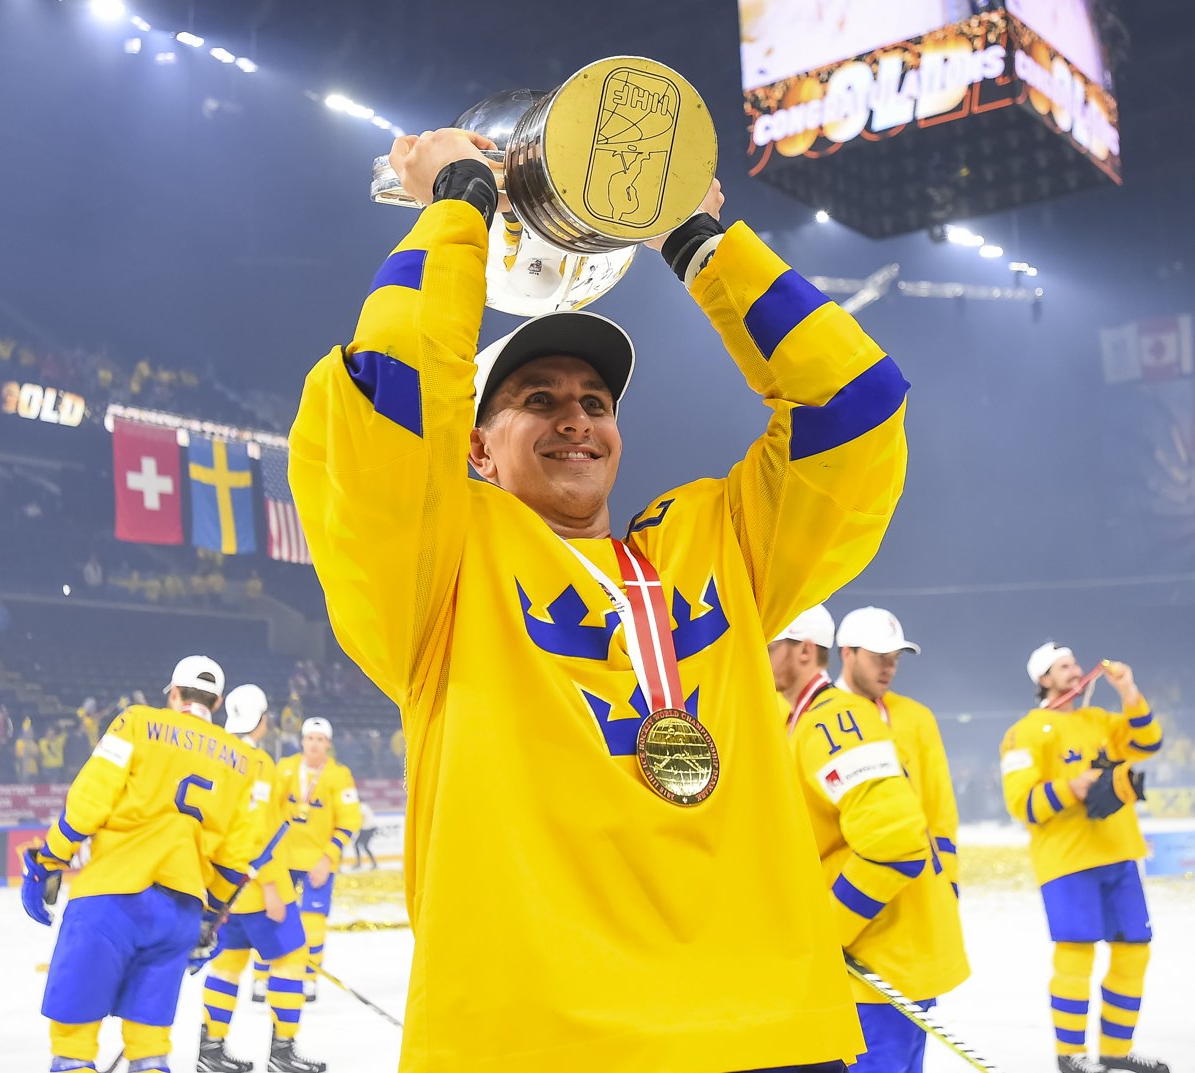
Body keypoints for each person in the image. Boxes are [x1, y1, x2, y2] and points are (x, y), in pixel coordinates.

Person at [288, 126, 908, 1071]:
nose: (576, 417)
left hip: (769, 1031)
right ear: (475, 447)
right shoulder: (438, 567)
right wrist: (459, 206)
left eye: (596, 401)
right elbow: (392, 398)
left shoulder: (715, 543)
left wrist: (701, 246)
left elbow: (856, 407)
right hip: (538, 1042)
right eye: (537, 399)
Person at [19, 656, 263, 1073]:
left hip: (110, 899)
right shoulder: (243, 761)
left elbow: (89, 802)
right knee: (150, 1048)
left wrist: (49, 861)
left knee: (73, 1044)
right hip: (179, 913)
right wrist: (208, 920)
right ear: (218, 702)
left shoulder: (136, 722)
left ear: (174, 692)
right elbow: (236, 857)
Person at [770, 606, 967, 1073]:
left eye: (771, 646)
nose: (888, 666)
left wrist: (829, 930)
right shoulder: (800, 716)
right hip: (871, 952)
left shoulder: (836, 721)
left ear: (805, 650)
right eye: (879, 656)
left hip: (879, 956)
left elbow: (907, 835)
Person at [1002, 643, 1169, 1073]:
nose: (1075, 671)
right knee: (1075, 954)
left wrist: (1128, 691)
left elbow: (1148, 741)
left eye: (1075, 664)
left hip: (1120, 853)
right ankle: (1070, 1054)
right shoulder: (1024, 732)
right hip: (1067, 861)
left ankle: (1116, 1050)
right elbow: (1021, 803)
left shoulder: (1098, 720)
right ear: (1043, 678)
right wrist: (1071, 788)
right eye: (1063, 666)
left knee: (1134, 951)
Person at [201, 684, 324, 1073]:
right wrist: (271, 885)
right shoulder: (256, 763)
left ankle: (210, 1051)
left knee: (227, 966)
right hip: (257, 886)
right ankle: (283, 1054)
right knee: (290, 960)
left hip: (222, 888)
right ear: (262, 720)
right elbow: (257, 832)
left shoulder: (213, 754)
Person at [836, 606, 962, 895]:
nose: (889, 668)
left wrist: (948, 879)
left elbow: (939, 806)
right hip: (845, 885)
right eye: (878, 657)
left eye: (895, 658)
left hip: (918, 887)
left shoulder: (917, 717)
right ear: (847, 653)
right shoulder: (814, 715)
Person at [252, 717, 359, 1005]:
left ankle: (309, 978)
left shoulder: (339, 776)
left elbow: (350, 820)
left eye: (320, 739)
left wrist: (328, 858)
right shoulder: (285, 768)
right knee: (272, 914)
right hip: (283, 859)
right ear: (302, 740)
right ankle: (262, 975)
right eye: (310, 738)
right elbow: (267, 810)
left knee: (313, 922)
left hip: (318, 862)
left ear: (328, 744)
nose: (314, 744)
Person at [349, 800, 378, 870]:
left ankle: (361, 863)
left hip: (367, 828)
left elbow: (361, 818)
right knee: (362, 845)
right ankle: (372, 863)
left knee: (360, 845)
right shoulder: (364, 806)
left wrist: (356, 829)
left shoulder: (360, 807)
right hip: (369, 828)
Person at [15, 720, 41, 784]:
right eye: (27, 732)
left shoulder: (34, 744)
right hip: (23, 770)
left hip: (33, 770)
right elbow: (18, 756)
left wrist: (32, 755)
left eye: (30, 732)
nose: (29, 734)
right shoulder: (19, 743)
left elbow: (38, 757)